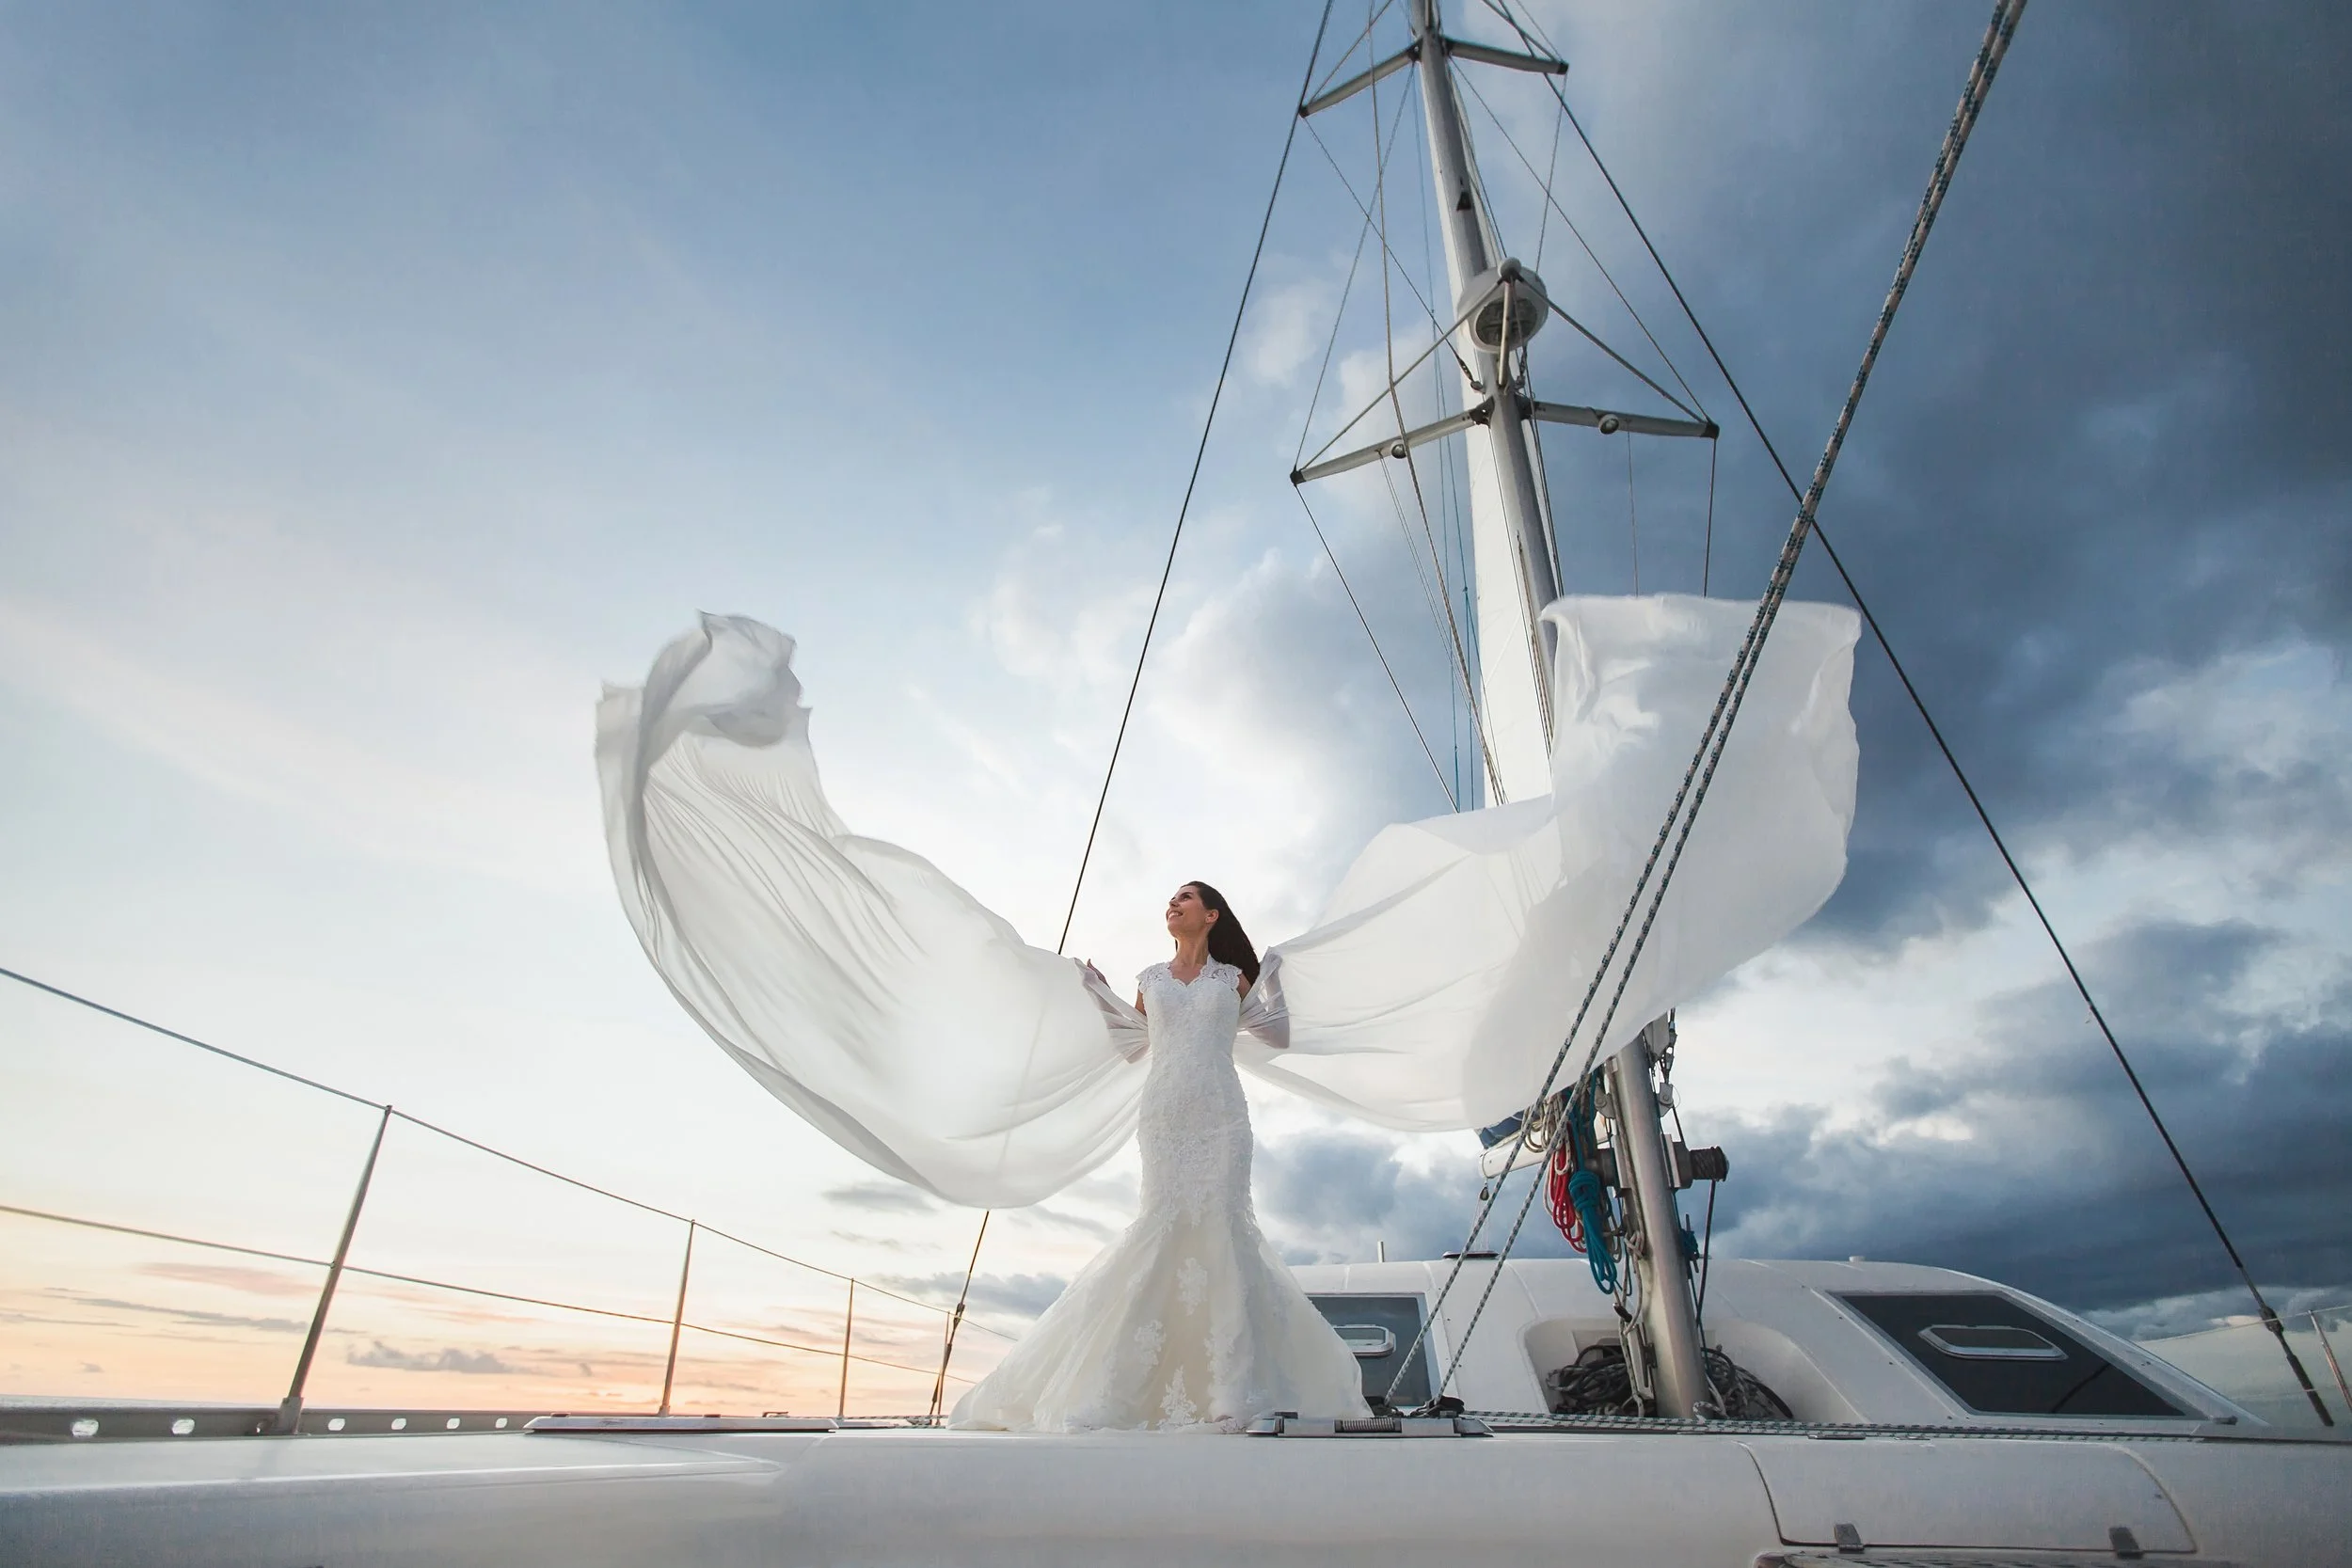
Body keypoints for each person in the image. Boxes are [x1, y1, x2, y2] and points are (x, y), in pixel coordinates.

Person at [949, 882, 1372, 1432]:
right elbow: (1132, 1046)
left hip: (1222, 1117)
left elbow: (1278, 1036)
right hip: (1166, 1117)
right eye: (1171, 899)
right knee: (1161, 1224)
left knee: (1224, 1225)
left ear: (1211, 915)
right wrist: (1100, 994)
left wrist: (1276, 983)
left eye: (1186, 898)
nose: (1173, 904)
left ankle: (1232, 1388)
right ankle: (1115, 1389)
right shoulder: (1150, 979)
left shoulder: (1230, 979)